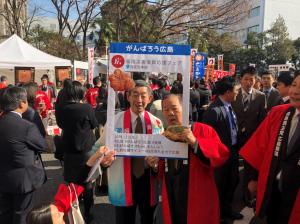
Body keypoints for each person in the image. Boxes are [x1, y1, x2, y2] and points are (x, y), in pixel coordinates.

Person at [96, 80, 164, 224]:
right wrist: (104, 160)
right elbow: (98, 149)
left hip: (148, 179)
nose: (139, 100)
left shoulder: (157, 123)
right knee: (124, 220)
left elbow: (162, 154)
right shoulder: (115, 121)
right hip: (123, 179)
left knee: (149, 219)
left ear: (150, 98)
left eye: (143, 95)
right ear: (128, 97)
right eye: (135, 95)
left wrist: (156, 165)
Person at [239, 73, 300, 224]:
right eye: (294, 85)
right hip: (272, 188)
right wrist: (253, 178)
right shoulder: (278, 113)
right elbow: (259, 147)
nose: (295, 91)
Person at [160, 94, 229, 224]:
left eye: (174, 108)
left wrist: (195, 142)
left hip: (197, 197)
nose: (170, 113)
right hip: (172, 194)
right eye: (166, 109)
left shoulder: (203, 130)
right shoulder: (164, 135)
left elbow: (221, 155)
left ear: (184, 109)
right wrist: (154, 165)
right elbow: (161, 171)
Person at [26, 146, 116, 224]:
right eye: (58, 215)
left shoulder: (59, 206)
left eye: (58, 211)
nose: (62, 213)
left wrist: (99, 162)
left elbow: (79, 182)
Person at [0, 87, 47, 224]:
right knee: (22, 214)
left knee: (5, 212)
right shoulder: (26, 126)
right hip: (23, 180)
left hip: (3, 177)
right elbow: (42, 145)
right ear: (21, 103)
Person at [55, 81, 98, 222]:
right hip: (86, 149)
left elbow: (60, 124)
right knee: (87, 182)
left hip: (69, 149)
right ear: (80, 92)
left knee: (72, 182)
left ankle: (74, 210)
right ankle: (88, 212)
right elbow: (94, 124)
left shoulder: (61, 108)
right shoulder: (86, 108)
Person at [202, 77, 242, 223]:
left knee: (232, 182)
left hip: (232, 152)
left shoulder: (229, 106)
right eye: (236, 91)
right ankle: (216, 215)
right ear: (227, 92)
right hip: (219, 155)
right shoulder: (214, 110)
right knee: (220, 186)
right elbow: (206, 136)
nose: (238, 93)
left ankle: (227, 210)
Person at [231, 66, 267, 205]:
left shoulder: (260, 96)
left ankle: (246, 197)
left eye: (251, 79)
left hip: (252, 139)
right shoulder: (234, 94)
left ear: (255, 80)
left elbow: (262, 120)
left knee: (250, 170)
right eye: (246, 79)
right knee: (232, 169)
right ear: (241, 79)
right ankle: (231, 196)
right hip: (234, 137)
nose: (248, 82)